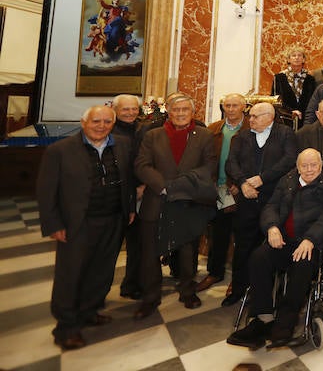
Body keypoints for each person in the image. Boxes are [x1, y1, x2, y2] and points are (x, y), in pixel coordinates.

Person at [226, 149, 323, 349]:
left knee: (302, 265)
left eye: (313, 165)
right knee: (258, 258)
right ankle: (262, 318)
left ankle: (285, 322)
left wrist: (310, 239)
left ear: (321, 164)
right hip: (284, 240)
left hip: (311, 243)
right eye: (304, 166)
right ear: (297, 167)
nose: (309, 170)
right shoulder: (287, 180)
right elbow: (270, 206)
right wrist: (272, 227)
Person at [38, 105, 134, 350]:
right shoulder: (59, 150)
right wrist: (53, 223)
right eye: (96, 121)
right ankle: (66, 327)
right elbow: (46, 191)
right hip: (77, 223)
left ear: (113, 124)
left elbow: (128, 180)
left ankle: (90, 310)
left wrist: (130, 208)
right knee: (70, 275)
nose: (101, 126)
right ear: (84, 122)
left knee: (101, 271)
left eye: (106, 122)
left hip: (113, 219)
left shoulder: (122, 145)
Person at [134, 93, 217, 318]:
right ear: (168, 112)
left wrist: (178, 187)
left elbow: (209, 167)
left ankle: (188, 291)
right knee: (150, 253)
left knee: (187, 251)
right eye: (176, 110)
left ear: (192, 112)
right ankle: (150, 298)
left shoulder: (205, 135)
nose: (180, 114)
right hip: (157, 200)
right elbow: (142, 165)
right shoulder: (152, 135)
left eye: (185, 110)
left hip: (188, 202)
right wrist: (163, 186)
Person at [222, 102, 298, 306]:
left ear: (269, 117)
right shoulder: (242, 137)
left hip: (274, 201)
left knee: (271, 249)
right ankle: (238, 289)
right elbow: (231, 163)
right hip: (247, 200)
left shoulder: (285, 134)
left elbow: (290, 160)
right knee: (243, 247)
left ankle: (265, 295)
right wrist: (243, 183)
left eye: (255, 116)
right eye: (251, 116)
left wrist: (263, 178)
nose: (250, 119)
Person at [196, 93, 248, 293]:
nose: (231, 109)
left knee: (242, 237)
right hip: (218, 191)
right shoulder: (213, 129)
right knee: (218, 235)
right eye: (228, 105)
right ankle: (214, 272)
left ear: (243, 107)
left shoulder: (251, 129)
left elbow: (253, 161)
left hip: (241, 191)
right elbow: (206, 160)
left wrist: (238, 182)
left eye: (235, 105)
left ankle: (238, 278)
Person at [111, 94, 144, 301]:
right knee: (109, 248)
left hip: (141, 194)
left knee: (137, 245)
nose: (131, 113)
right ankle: (95, 293)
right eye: (126, 109)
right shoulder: (107, 129)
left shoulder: (145, 129)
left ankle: (131, 285)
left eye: (134, 109)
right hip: (116, 197)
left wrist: (143, 185)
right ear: (115, 110)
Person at [271, 48, 317, 127]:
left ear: (303, 60)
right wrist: (291, 111)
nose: (297, 58)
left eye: (299, 55)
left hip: (304, 122)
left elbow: (313, 101)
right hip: (284, 120)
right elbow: (275, 100)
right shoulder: (279, 78)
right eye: (293, 55)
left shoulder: (310, 79)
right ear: (288, 60)